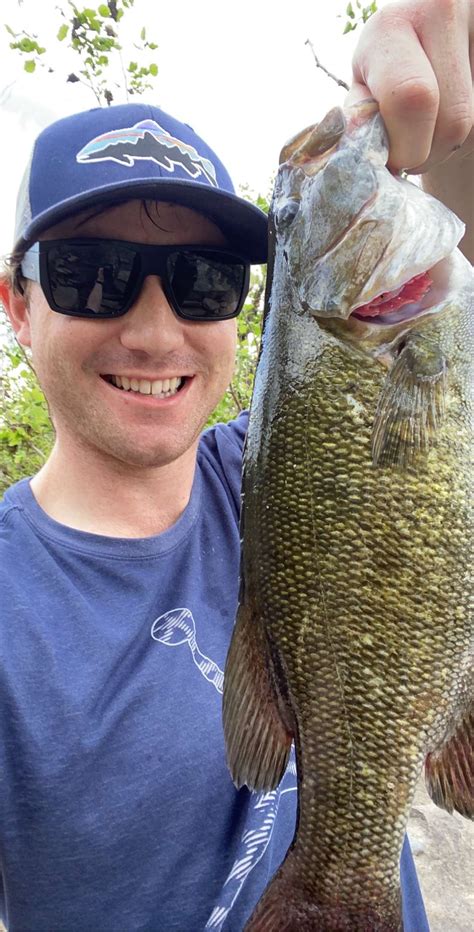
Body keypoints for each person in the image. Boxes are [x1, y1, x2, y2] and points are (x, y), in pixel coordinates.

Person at [0, 0, 472, 928]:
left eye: (203, 282)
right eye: (90, 274)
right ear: (17, 305)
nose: (152, 328)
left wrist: (446, 111)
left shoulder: (273, 461)